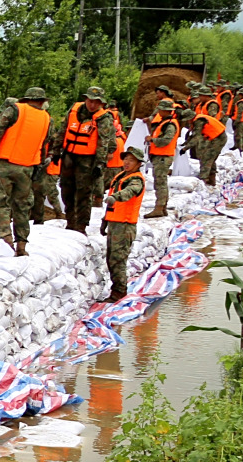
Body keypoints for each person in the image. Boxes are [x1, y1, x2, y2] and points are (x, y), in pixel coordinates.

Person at [0, 86, 50, 258]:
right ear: (42, 101)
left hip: (6, 165)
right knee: (22, 206)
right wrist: (39, 167)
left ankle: (6, 240)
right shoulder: (46, 118)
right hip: (27, 168)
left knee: (0, 202)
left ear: (27, 99)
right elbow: (44, 144)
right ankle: (21, 245)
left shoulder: (15, 109)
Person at [101, 146, 147, 301]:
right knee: (111, 259)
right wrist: (105, 220)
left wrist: (116, 197)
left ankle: (119, 292)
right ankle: (116, 290)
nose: (127, 162)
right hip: (115, 223)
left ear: (139, 163)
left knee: (118, 260)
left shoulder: (136, 180)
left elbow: (129, 192)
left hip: (124, 226)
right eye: (126, 159)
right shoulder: (121, 176)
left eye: (131, 160)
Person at [60, 87, 108, 228]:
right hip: (69, 156)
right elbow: (63, 129)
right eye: (90, 101)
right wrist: (56, 150)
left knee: (84, 193)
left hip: (87, 160)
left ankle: (81, 225)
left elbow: (103, 142)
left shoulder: (103, 118)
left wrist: (100, 163)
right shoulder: (74, 110)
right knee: (66, 190)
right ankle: (70, 221)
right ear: (86, 99)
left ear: (101, 103)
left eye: (96, 102)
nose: (92, 105)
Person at [144, 99, 181, 218]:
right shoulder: (164, 122)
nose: (158, 111)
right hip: (160, 156)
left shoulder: (169, 124)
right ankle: (162, 207)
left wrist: (152, 140)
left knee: (160, 183)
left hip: (163, 156)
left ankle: (159, 208)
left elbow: (166, 140)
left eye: (160, 109)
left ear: (165, 110)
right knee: (161, 182)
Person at [193, 98, 228, 186]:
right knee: (208, 157)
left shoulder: (211, 106)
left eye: (201, 95)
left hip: (216, 137)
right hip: (212, 135)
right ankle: (211, 179)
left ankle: (204, 179)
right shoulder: (200, 114)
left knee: (207, 157)